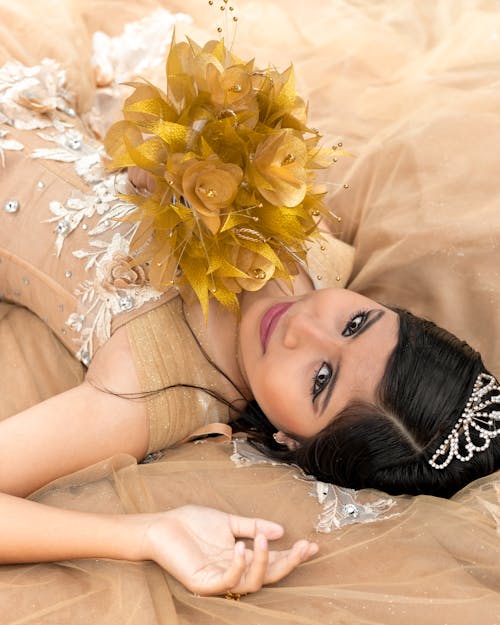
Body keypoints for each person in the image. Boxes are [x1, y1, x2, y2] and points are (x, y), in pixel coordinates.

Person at [1, 0, 500, 609]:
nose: (304, 327)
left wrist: (146, 533)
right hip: (36, 84)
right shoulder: (318, 251)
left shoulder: (153, 388)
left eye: (321, 380)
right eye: (356, 321)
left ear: (291, 442)